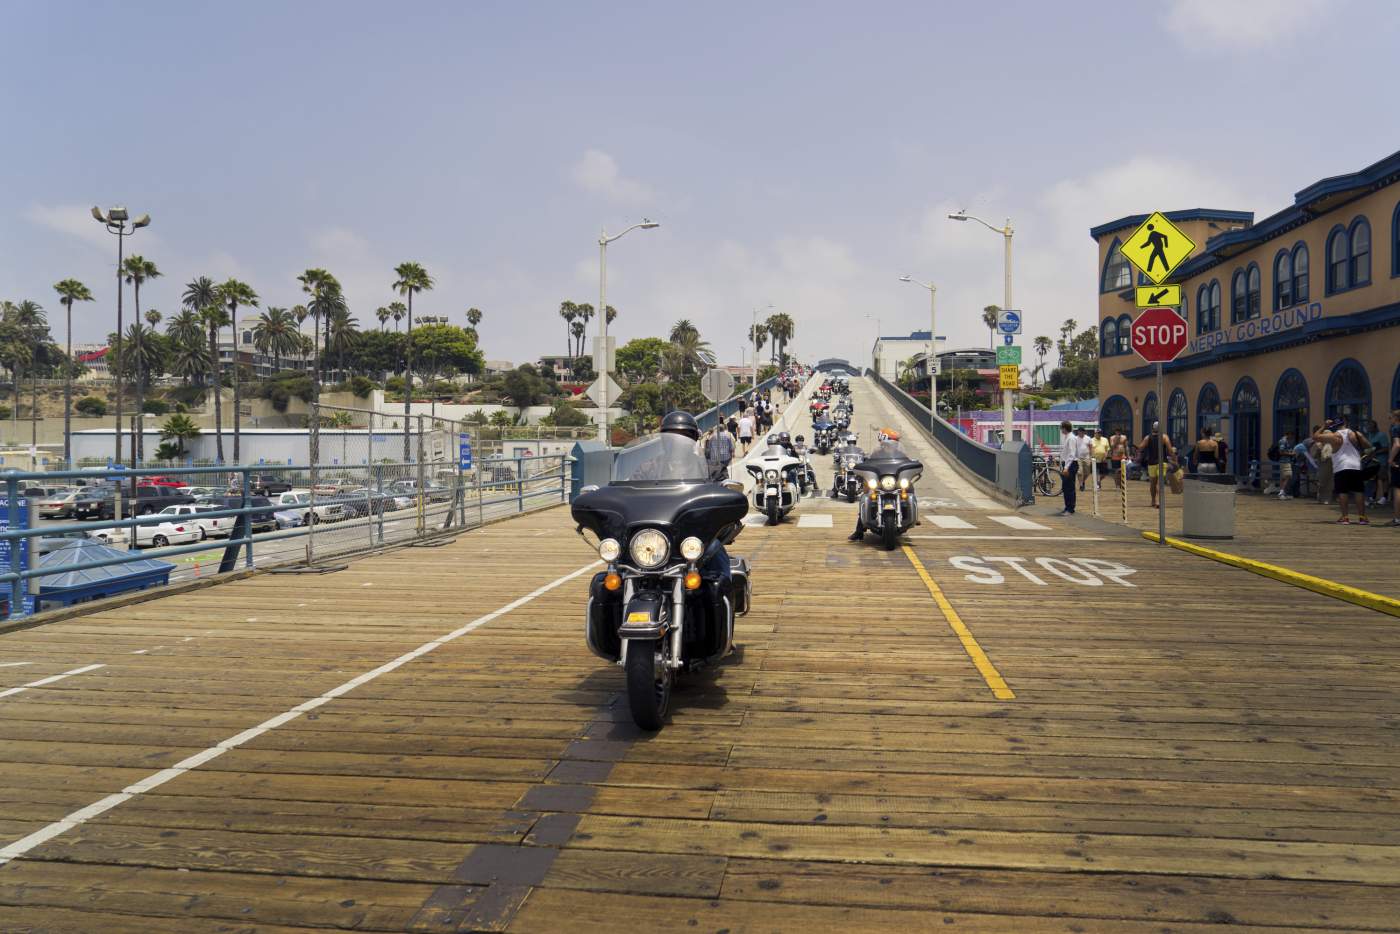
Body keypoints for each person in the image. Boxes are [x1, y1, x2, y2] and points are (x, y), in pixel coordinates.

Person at [660, 411, 731, 584]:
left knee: (715, 552)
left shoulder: (711, 468)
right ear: (663, 440)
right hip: (659, 535)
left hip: (697, 535)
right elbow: (629, 490)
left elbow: (724, 495)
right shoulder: (649, 467)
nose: (677, 442)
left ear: (693, 439)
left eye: (683, 436)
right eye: (672, 437)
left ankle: (724, 600)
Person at [848, 429, 910, 541]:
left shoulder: (901, 453)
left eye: (895, 442)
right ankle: (859, 530)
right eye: (892, 441)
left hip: (895, 482)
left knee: (909, 487)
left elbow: (907, 462)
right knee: (866, 496)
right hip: (880, 482)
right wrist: (863, 466)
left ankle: (911, 515)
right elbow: (868, 462)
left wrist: (911, 464)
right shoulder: (876, 452)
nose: (892, 445)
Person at [1313, 418, 1370, 524]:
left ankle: (1345, 517)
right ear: (1346, 423)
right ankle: (1362, 517)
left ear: (1334, 425)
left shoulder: (1333, 436)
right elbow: (1369, 446)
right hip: (1356, 466)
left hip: (1341, 466)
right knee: (1359, 491)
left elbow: (1315, 437)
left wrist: (1324, 426)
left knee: (1342, 491)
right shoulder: (1356, 434)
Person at [1141, 420, 1174, 509]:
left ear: (1152, 428)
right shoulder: (1164, 437)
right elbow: (1170, 450)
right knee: (1160, 482)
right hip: (1162, 462)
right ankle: (1159, 501)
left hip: (1151, 462)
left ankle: (1153, 500)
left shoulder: (1148, 437)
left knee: (1153, 483)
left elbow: (1141, 447)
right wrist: (1174, 459)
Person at [1056, 420, 1081, 516]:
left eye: (1061, 428)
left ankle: (1070, 509)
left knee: (1069, 487)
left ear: (1064, 428)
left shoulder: (1071, 438)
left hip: (1070, 465)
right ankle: (1067, 507)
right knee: (1065, 487)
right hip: (1068, 464)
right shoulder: (1068, 437)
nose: (1061, 430)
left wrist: (1066, 467)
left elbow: (1072, 454)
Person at [1366, 419, 1389, 506]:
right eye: (1368, 427)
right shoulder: (1369, 435)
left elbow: (1386, 448)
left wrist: (1375, 452)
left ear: (1375, 427)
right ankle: (1372, 497)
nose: (1369, 429)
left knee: (1383, 478)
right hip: (1372, 461)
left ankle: (1384, 497)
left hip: (1381, 461)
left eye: (1370, 427)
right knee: (1373, 479)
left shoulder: (1382, 435)